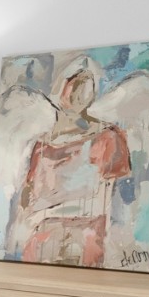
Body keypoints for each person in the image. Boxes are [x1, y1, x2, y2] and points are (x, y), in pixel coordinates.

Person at [13, 60, 131, 267]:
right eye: (73, 85)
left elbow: (102, 203)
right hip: (41, 238)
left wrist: (45, 214)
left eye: (87, 86)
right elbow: (26, 199)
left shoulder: (108, 137)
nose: (79, 94)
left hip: (85, 237)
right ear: (60, 89)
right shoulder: (40, 146)